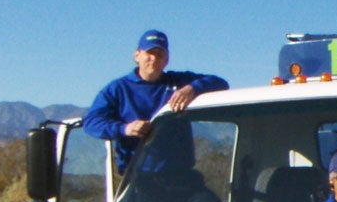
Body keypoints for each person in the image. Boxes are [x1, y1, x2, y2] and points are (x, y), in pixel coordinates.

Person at [83, 29, 229, 174]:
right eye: (149, 53)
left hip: (182, 176)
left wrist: (192, 88)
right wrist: (125, 129)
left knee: (209, 199)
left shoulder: (178, 81)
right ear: (137, 55)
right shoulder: (117, 89)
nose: (154, 58)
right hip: (138, 179)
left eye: (160, 54)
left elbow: (221, 83)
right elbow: (91, 123)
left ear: (167, 59)